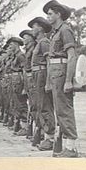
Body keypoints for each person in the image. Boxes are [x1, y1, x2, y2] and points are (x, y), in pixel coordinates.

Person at [43, 0, 78, 158]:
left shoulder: (65, 30)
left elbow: (72, 56)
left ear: (58, 14)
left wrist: (69, 80)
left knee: (65, 110)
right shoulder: (55, 33)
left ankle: (71, 148)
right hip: (55, 74)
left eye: (50, 14)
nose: (48, 17)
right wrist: (49, 80)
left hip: (62, 73)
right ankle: (64, 145)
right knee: (59, 110)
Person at [28, 16, 55, 150]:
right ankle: (44, 134)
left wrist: (49, 81)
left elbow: (49, 61)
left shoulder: (44, 42)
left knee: (45, 105)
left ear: (41, 28)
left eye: (34, 26)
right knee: (39, 105)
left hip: (42, 74)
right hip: (36, 75)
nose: (32, 29)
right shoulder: (39, 43)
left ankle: (50, 138)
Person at [4, 37, 27, 134]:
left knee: (21, 103)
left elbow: (24, 70)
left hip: (19, 79)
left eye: (11, 45)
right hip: (14, 80)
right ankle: (18, 124)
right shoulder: (15, 56)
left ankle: (25, 126)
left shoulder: (20, 56)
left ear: (16, 45)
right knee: (16, 103)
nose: (10, 47)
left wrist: (25, 86)